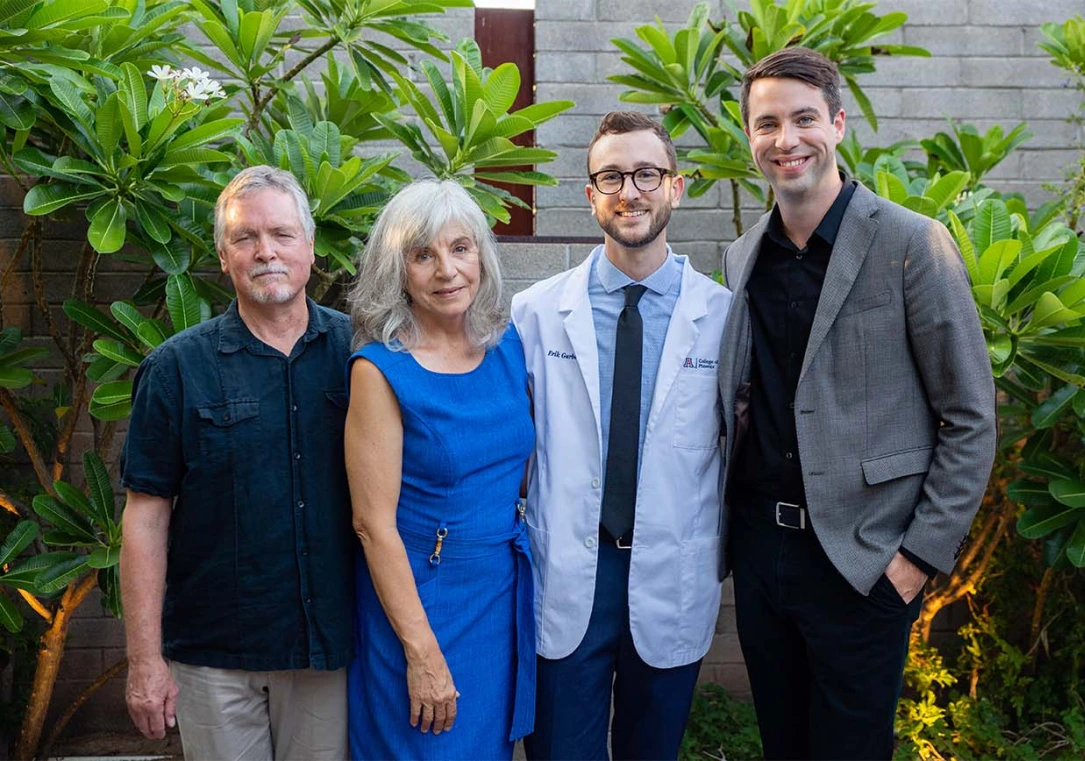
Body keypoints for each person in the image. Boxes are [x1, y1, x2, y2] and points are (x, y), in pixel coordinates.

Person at [718, 47, 998, 760]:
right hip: (762, 554)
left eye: (804, 118)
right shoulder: (742, 255)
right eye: (767, 123)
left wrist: (914, 561)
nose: (787, 140)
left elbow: (969, 417)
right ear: (749, 137)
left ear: (838, 124)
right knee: (783, 744)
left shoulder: (911, 243)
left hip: (862, 560)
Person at [513, 110, 731, 761]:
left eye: (645, 173)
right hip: (569, 574)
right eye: (611, 176)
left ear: (676, 186)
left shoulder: (723, 318)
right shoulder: (534, 316)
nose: (628, 191)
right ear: (589, 195)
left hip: (671, 570)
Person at [120, 165, 353, 760]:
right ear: (223, 257)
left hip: (326, 650)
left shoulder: (361, 355)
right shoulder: (176, 368)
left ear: (309, 245)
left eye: (281, 234)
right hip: (214, 658)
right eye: (245, 238)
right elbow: (145, 518)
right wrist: (145, 662)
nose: (265, 252)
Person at [344, 178, 535, 760]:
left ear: (482, 255)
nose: (447, 270)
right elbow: (372, 525)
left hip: (498, 596)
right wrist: (421, 651)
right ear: (397, 272)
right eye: (423, 255)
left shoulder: (508, 347)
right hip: (420, 608)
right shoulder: (379, 371)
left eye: (460, 248)